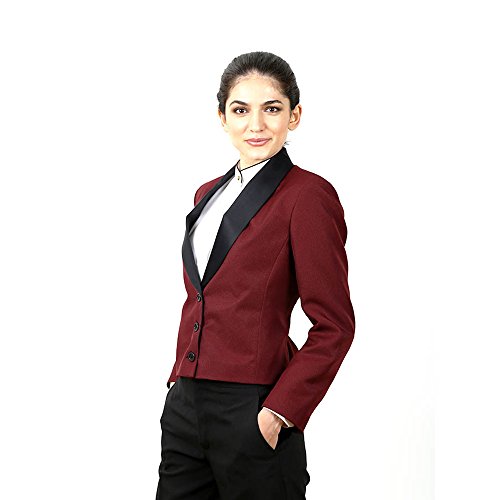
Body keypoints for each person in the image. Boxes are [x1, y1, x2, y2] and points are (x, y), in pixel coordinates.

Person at [155, 51, 355, 500]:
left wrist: (279, 411)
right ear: (223, 118)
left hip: (252, 408)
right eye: (241, 110)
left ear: (294, 116)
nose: (256, 125)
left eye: (272, 108)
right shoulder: (206, 194)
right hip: (186, 406)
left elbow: (335, 325)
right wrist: (178, 386)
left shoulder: (308, 196)